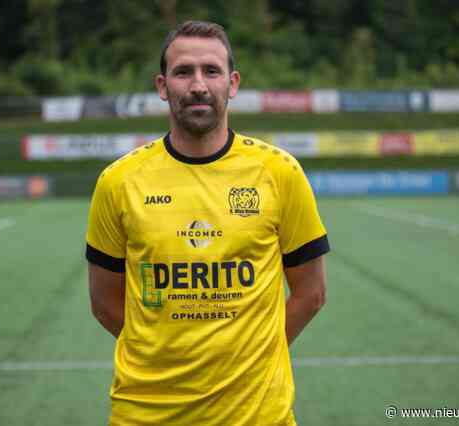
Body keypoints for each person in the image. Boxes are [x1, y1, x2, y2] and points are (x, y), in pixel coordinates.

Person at [86, 20, 330, 426]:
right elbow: (105, 303)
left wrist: (249, 360)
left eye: (211, 71)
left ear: (232, 84)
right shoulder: (118, 182)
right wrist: (164, 351)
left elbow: (311, 292)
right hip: (146, 413)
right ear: (163, 86)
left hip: (257, 415)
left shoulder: (279, 172)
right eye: (183, 72)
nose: (198, 84)